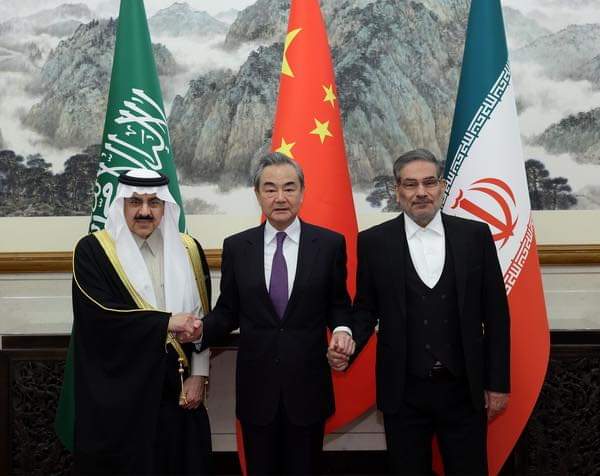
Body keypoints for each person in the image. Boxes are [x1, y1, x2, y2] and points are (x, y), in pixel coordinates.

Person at [331, 149, 510, 475]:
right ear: (397, 190)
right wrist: (347, 345)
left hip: (464, 390)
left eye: (429, 182)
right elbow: (366, 309)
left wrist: (497, 383)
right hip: (403, 393)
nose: (421, 192)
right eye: (411, 184)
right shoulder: (374, 242)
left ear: (442, 186)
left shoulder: (475, 236)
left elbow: (497, 315)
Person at [188, 152, 354, 475]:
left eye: (289, 188)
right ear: (257, 194)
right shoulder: (237, 247)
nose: (280, 197)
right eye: (270, 189)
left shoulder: (329, 244)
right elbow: (228, 312)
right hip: (257, 391)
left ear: (302, 192)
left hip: (307, 390)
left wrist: (343, 331)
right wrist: (198, 331)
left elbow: (338, 305)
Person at [72, 169, 212, 475]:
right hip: (121, 394)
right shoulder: (94, 252)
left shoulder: (188, 249)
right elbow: (100, 318)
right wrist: (166, 323)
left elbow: (202, 318)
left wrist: (199, 375)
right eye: (135, 201)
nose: (145, 211)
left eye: (154, 202)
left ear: (165, 206)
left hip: (178, 391)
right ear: (121, 204)